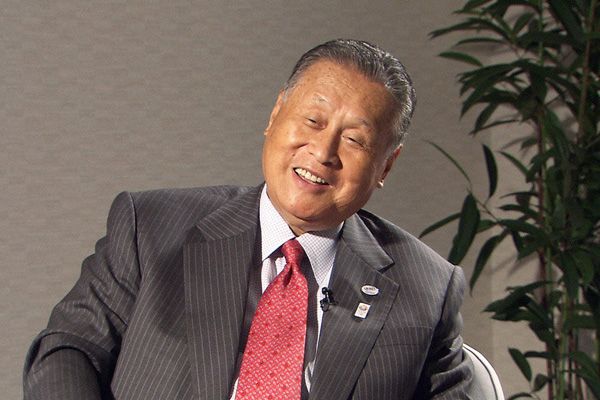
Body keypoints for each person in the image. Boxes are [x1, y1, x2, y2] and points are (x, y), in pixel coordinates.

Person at [24, 39, 475, 399]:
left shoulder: (427, 289)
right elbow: (69, 349)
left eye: (354, 140)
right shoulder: (150, 227)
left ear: (386, 166)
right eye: (312, 120)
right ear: (276, 114)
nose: (322, 152)